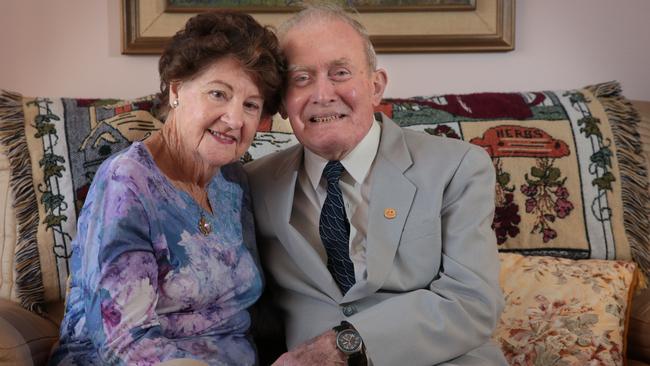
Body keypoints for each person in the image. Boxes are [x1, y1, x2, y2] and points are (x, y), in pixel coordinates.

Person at [245, 5, 507, 366]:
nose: (322, 94)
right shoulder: (254, 184)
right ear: (283, 103)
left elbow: (473, 301)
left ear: (375, 86)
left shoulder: (458, 167)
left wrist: (344, 345)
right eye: (301, 78)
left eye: (340, 73)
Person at [49, 11, 284, 366]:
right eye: (218, 93)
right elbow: (124, 342)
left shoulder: (233, 182)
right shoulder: (128, 184)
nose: (235, 119)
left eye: (250, 105)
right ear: (176, 89)